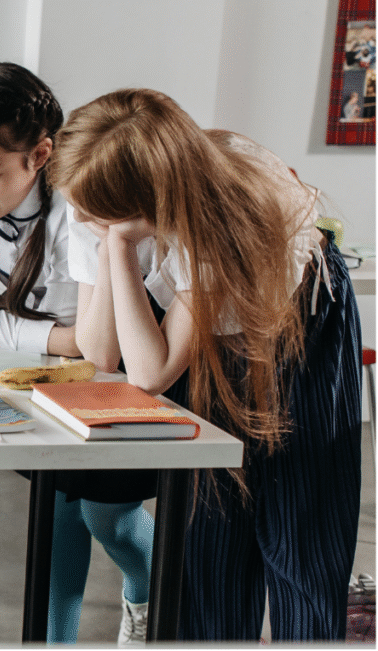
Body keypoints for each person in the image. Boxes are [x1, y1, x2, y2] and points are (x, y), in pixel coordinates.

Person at [49, 88, 361, 642]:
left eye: (95, 214)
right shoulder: (95, 195)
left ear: (149, 204)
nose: (79, 217)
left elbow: (151, 373)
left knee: (298, 534)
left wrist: (118, 246)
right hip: (202, 335)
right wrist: (111, 242)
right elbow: (101, 355)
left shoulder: (220, 217)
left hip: (299, 330)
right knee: (209, 533)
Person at [0, 62, 155, 645]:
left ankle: (149, 595)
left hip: (126, 371)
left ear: (40, 155)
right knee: (57, 518)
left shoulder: (83, 201)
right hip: (43, 380)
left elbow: (102, 345)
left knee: (109, 519)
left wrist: (55, 337)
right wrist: (60, 338)